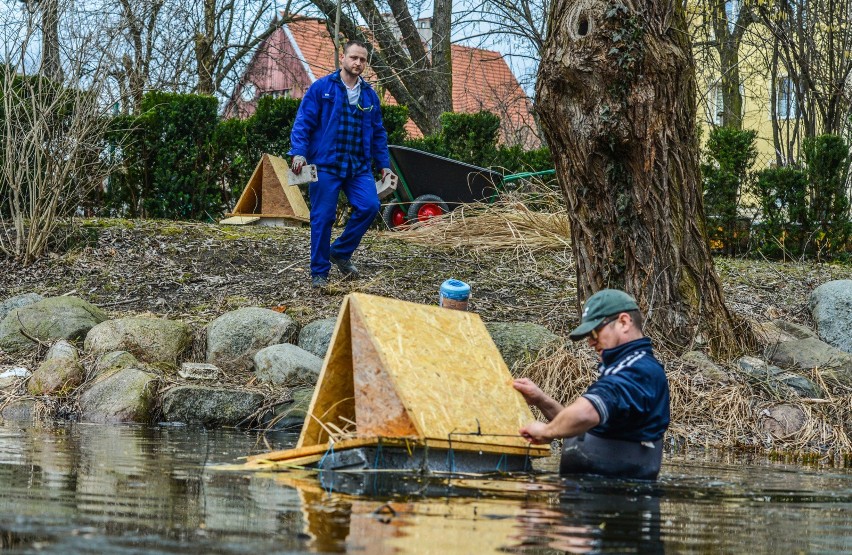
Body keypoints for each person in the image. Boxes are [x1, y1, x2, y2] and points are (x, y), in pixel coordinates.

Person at [514, 289, 670, 480]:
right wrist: (541, 399)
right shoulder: (627, 366)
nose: (590, 342)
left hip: (612, 499)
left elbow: (585, 414)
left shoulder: (637, 370)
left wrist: (547, 431)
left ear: (623, 322)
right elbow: (581, 424)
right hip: (591, 492)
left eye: (594, 332)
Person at [289, 39, 395, 288]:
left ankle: (340, 251)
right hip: (326, 164)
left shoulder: (369, 95)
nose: (358, 63)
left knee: (369, 206)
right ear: (343, 58)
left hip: (357, 166)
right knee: (322, 217)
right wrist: (299, 153)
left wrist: (384, 165)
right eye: (354, 58)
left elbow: (378, 133)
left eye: (362, 59)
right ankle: (319, 273)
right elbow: (303, 122)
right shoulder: (322, 88)